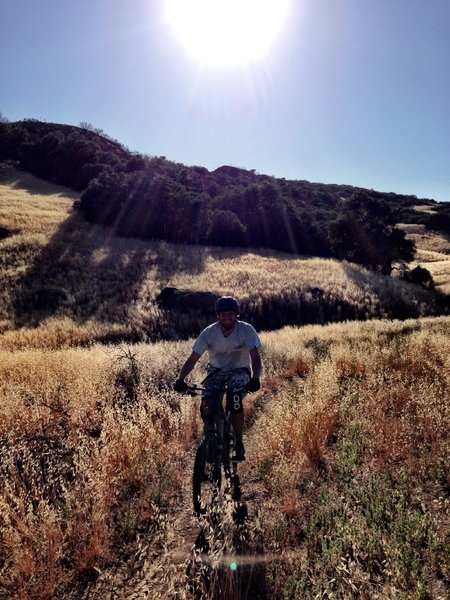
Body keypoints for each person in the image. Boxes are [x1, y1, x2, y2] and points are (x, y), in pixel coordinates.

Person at [173, 296, 262, 461]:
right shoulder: (209, 332)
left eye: (230, 314)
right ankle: (211, 439)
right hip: (216, 371)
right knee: (208, 401)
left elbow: (255, 358)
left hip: (239, 370)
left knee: (234, 399)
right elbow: (193, 358)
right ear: (218, 315)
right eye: (223, 314)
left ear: (236, 315)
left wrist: (255, 378)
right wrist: (180, 379)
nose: (227, 317)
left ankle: (238, 442)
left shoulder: (246, 330)